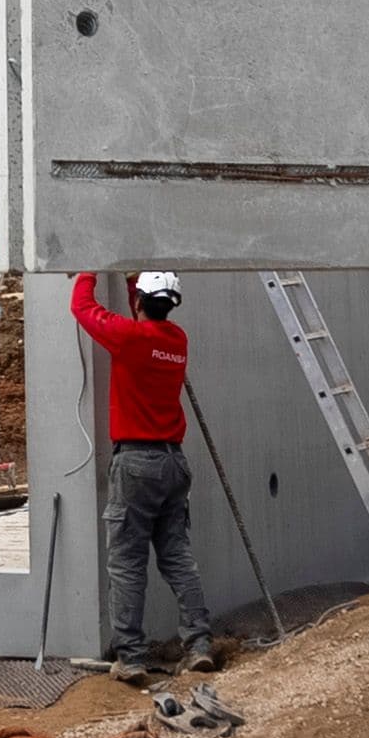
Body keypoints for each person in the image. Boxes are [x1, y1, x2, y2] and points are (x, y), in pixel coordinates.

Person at [71, 267, 219, 684]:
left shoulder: (132, 338)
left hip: (136, 464)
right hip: (173, 463)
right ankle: (199, 646)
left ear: (138, 303)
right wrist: (136, 275)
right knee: (177, 557)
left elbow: (81, 307)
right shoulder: (176, 340)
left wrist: (88, 270)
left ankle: (131, 658)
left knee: (127, 562)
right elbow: (148, 306)